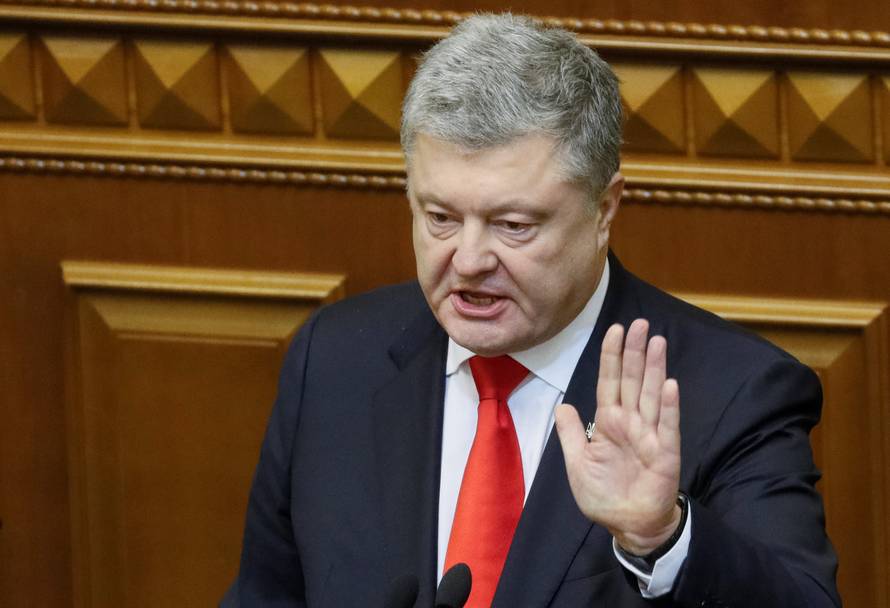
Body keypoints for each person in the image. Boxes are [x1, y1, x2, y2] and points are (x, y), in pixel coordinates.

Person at [223, 13, 840, 607]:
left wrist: (663, 537)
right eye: (440, 217)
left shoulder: (732, 392)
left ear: (604, 209)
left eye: (512, 225)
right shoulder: (333, 357)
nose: (467, 260)